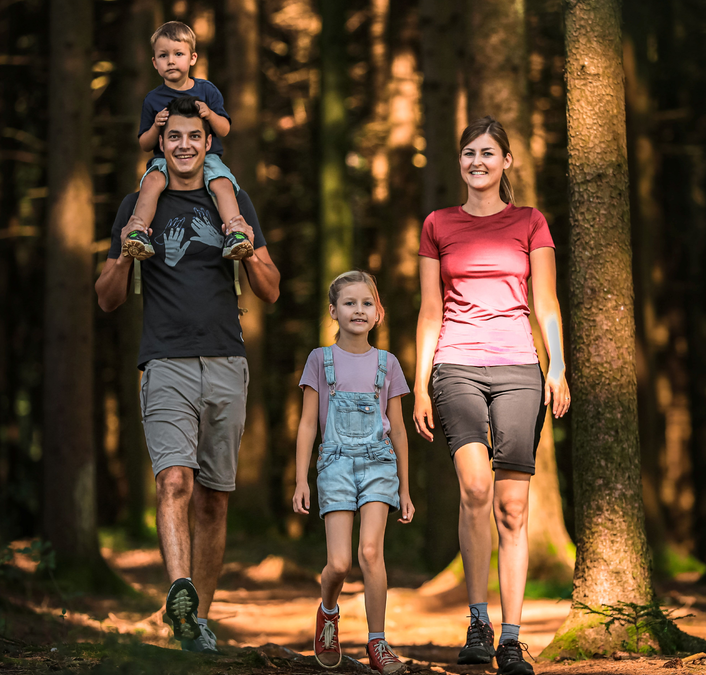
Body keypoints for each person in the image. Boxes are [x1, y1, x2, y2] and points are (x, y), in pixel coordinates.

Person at [95, 97, 281, 653]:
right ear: (161, 142)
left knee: (214, 499)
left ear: (207, 144)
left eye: (193, 137)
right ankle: (179, 594)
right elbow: (106, 298)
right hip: (166, 362)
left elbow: (271, 290)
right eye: (173, 136)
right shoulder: (139, 206)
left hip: (227, 360)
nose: (183, 145)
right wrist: (128, 254)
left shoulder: (233, 200)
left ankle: (197, 620)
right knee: (174, 481)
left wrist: (246, 250)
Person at [412, 116, 570, 675]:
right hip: (456, 367)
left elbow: (546, 303)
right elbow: (430, 310)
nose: (477, 162)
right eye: (468, 153)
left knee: (513, 506)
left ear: (507, 163)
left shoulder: (530, 222)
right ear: (460, 162)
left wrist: (558, 368)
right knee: (476, 489)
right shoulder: (438, 224)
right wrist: (420, 382)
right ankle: (476, 620)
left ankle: (510, 635)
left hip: (520, 369)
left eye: (487, 153)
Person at [292, 271, 415, 675]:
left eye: (366, 303)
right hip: (336, 463)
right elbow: (309, 424)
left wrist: (407, 490)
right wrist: (300, 480)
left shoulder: (388, 363)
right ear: (333, 311)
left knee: (370, 553)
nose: (358, 310)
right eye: (349, 303)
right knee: (341, 563)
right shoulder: (319, 360)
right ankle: (328, 612)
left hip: (380, 464)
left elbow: (397, 429)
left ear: (378, 313)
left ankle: (378, 643)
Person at [123, 21, 253, 264]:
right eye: (163, 56)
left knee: (223, 183)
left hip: (207, 157)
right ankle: (138, 233)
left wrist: (209, 114)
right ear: (154, 63)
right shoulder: (152, 99)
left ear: (192, 58)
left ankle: (236, 233)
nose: (171, 61)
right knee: (151, 180)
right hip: (165, 159)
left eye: (178, 54)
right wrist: (156, 125)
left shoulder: (207, 90)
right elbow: (144, 143)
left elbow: (224, 129)